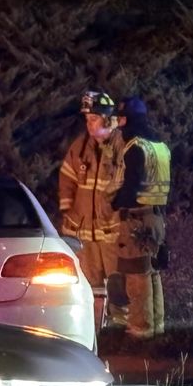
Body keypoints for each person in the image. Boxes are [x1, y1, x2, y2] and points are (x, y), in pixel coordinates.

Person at [59, 90, 128, 328]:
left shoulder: (123, 146)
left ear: (108, 120)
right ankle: (93, 327)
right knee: (88, 282)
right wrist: (68, 209)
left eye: (93, 120)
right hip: (83, 229)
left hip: (112, 230)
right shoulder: (81, 146)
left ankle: (121, 326)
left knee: (119, 280)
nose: (88, 125)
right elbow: (67, 177)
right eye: (87, 120)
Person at [113, 96, 171, 340]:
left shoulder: (135, 146)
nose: (119, 124)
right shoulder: (159, 145)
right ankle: (156, 326)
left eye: (122, 118)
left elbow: (132, 185)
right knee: (153, 272)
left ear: (130, 120)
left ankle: (140, 329)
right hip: (157, 216)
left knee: (137, 274)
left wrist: (116, 202)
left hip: (137, 217)